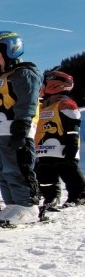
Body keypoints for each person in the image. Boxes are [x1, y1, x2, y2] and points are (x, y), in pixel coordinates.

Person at [0, 30, 42, 226]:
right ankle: (12, 204)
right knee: (3, 171)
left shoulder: (23, 73)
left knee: (17, 168)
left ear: (11, 51)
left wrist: (22, 126)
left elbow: (27, 101)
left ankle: (27, 206)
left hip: (15, 130)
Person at [35, 68, 85, 209]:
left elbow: (72, 128)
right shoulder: (42, 105)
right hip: (44, 149)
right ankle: (51, 198)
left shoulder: (65, 103)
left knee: (69, 173)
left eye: (43, 84)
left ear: (54, 85)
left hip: (63, 147)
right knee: (44, 176)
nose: (40, 88)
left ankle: (79, 195)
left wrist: (71, 146)